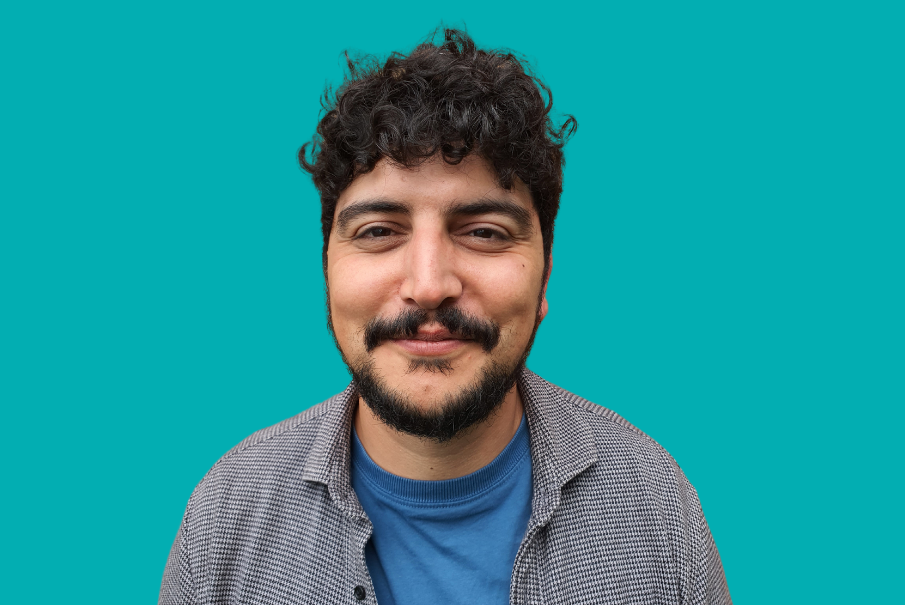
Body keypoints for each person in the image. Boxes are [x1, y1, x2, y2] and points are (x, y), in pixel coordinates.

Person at [159, 28, 731, 605]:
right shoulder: (224, 519)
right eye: (379, 232)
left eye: (484, 233)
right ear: (327, 269)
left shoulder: (657, 512)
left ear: (545, 276)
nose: (429, 286)